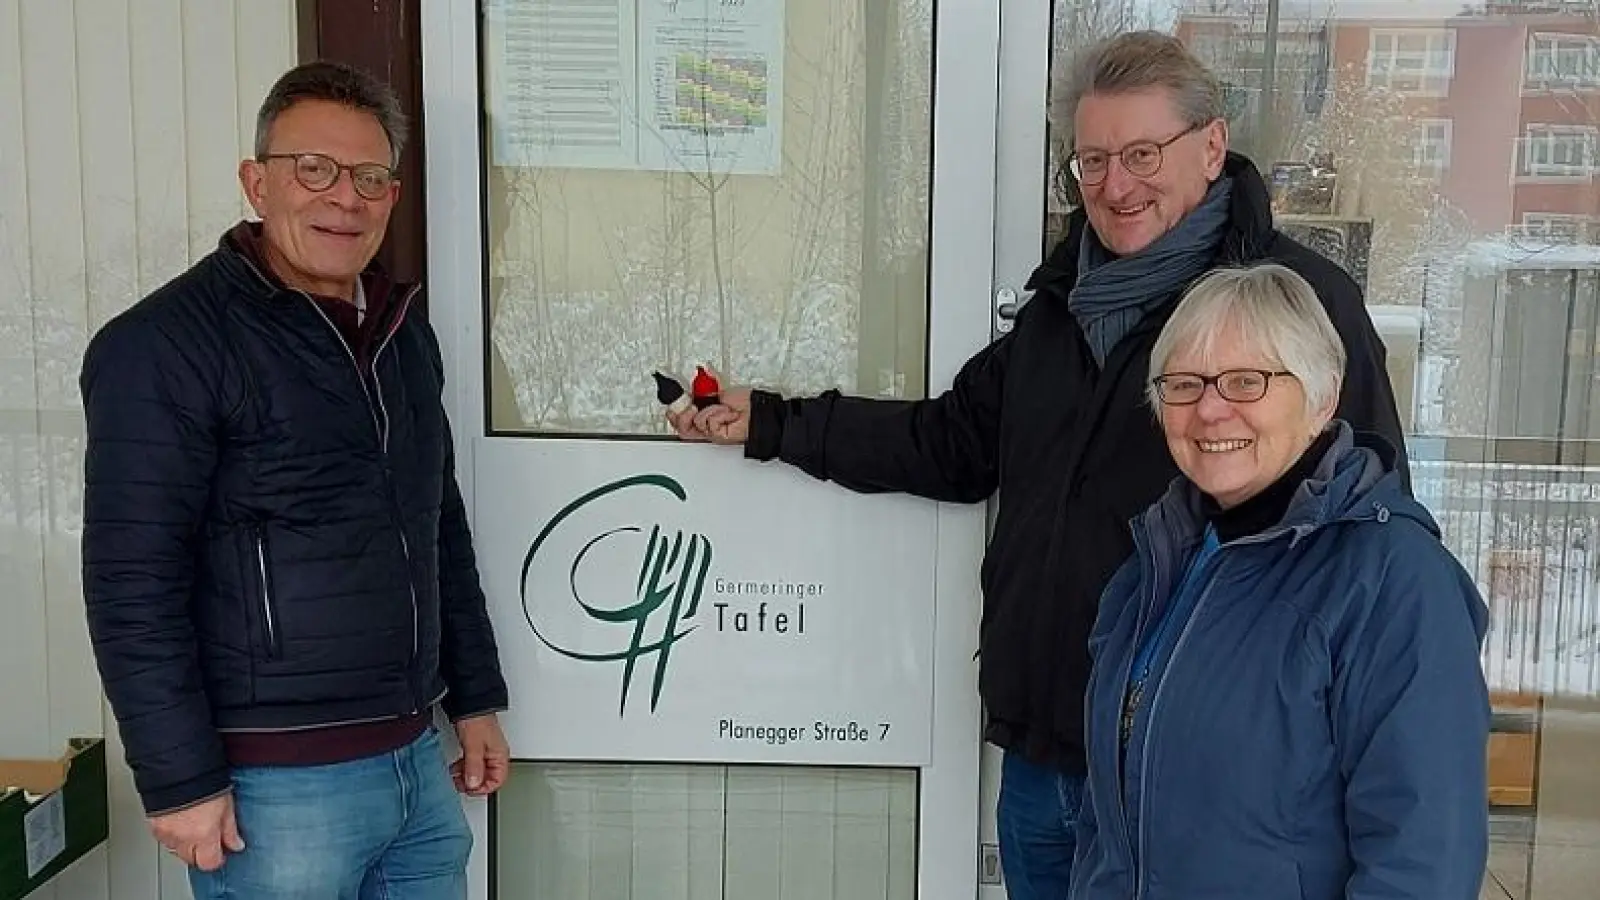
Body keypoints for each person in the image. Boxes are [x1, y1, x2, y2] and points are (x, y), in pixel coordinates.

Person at [668, 31, 1408, 898]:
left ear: (1211, 147)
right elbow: (950, 443)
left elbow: (1363, 524)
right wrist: (772, 421)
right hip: (1044, 756)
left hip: (1185, 766)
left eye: (1140, 153)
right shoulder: (1062, 309)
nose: (1114, 186)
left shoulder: (1292, 305)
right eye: (1091, 161)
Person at [78, 61, 510, 898]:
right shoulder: (165, 345)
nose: (344, 197)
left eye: (370, 176)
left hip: (414, 764)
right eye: (313, 168)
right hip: (274, 788)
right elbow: (133, 580)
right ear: (257, 182)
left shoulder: (399, 335)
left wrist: (475, 698)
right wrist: (180, 780)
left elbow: (436, 525)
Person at [1070, 262, 1489, 899]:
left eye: (1247, 381)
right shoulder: (1155, 567)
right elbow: (1110, 827)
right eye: (1184, 384)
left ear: (1322, 397)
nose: (1210, 409)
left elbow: (1423, 861)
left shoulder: (1394, 584)